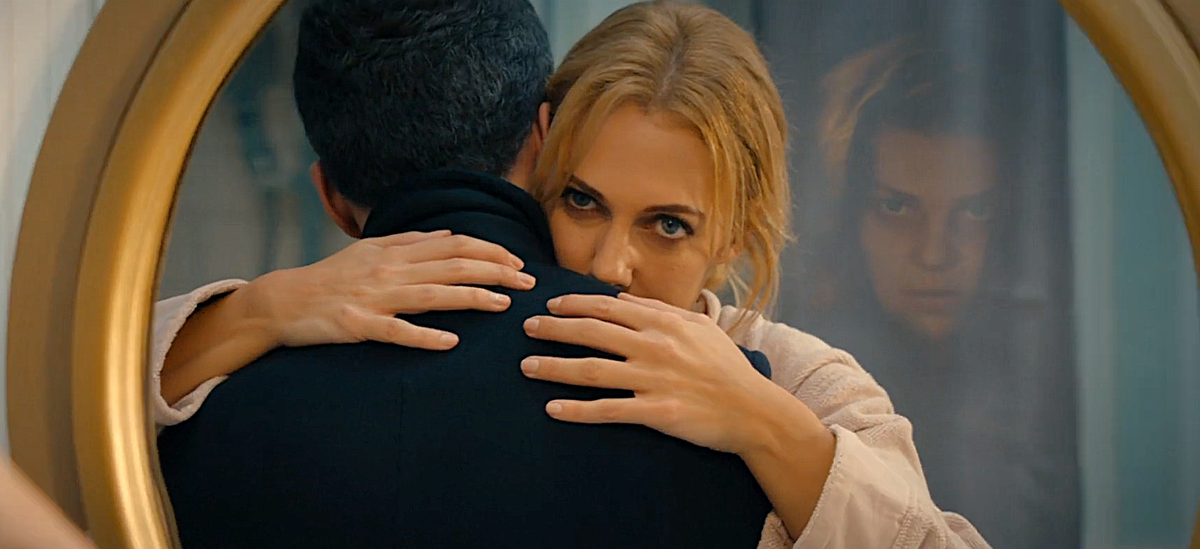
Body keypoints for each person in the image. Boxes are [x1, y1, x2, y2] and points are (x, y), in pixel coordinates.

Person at [156, 1, 991, 547]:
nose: (608, 265)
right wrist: (255, 311)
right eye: (582, 201)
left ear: (736, 237)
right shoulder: (342, 314)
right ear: (538, 158)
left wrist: (766, 423)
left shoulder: (803, 380)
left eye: (669, 225)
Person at [797, 38, 1079, 547]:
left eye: (973, 211)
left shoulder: (1059, 387)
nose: (934, 254)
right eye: (897, 207)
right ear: (850, 216)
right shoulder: (797, 375)